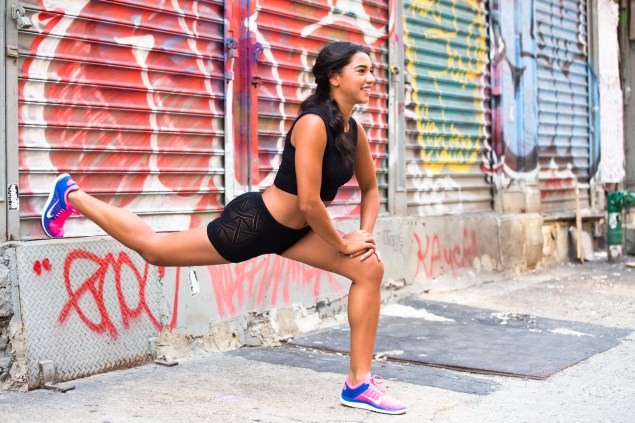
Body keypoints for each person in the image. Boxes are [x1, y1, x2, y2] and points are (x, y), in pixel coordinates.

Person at [41, 41, 407, 415]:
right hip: (257, 224)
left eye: (371, 71)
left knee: (369, 268)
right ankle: (71, 195)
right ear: (334, 77)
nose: (371, 79)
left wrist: (365, 238)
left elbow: (371, 188)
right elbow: (309, 204)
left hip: (298, 233)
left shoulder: (352, 130)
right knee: (155, 250)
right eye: (361, 71)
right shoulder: (313, 125)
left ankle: (358, 383)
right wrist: (344, 243)